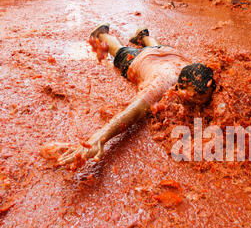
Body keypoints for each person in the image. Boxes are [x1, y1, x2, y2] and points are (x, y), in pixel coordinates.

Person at [43, 24, 216, 169]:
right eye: (196, 99)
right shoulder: (162, 85)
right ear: (179, 87)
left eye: (204, 97)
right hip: (141, 59)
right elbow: (133, 111)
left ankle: (143, 36)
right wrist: (99, 138)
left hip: (167, 52)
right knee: (120, 51)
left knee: (156, 47)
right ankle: (101, 33)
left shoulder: (203, 76)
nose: (202, 102)